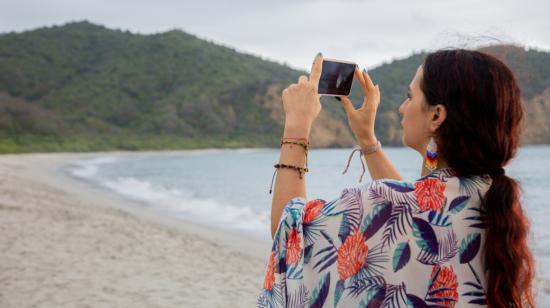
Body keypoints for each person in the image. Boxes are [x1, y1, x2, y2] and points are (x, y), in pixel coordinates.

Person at [257, 49, 536, 307]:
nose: (403, 108)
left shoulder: (382, 201)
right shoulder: (497, 205)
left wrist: (296, 125)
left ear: (437, 115)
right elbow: (419, 205)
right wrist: (367, 140)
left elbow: (290, 234)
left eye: (410, 96)